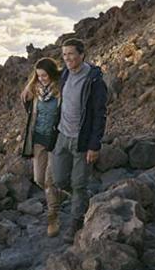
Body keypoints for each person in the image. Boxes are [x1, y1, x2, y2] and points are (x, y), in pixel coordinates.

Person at [46, 38, 108, 242]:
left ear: (82, 54)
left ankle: (75, 223)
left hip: (82, 140)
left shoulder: (94, 79)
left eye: (71, 54)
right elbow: (44, 79)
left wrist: (94, 145)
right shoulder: (64, 74)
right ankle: (84, 201)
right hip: (62, 136)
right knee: (59, 179)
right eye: (64, 55)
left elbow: (100, 113)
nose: (67, 58)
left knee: (79, 184)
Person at [20, 57, 62, 192]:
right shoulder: (34, 91)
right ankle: (61, 196)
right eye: (38, 76)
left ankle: (53, 211)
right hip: (38, 139)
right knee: (39, 179)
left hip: (55, 139)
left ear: (51, 73)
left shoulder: (61, 89)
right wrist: (28, 87)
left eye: (44, 75)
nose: (41, 78)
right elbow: (29, 111)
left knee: (50, 181)